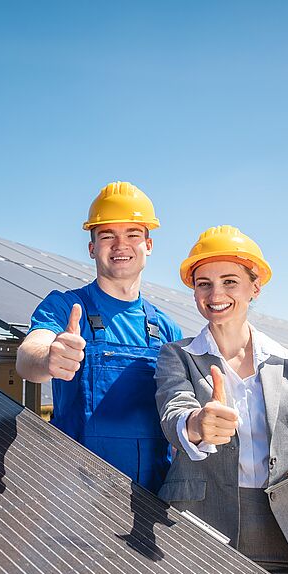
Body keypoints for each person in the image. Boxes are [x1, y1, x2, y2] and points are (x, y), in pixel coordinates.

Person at [154, 225, 288, 574]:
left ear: (255, 287)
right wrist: (197, 424)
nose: (215, 293)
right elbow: (174, 412)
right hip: (198, 526)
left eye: (230, 281)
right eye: (203, 283)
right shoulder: (177, 355)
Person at [16, 182, 182, 493]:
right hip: (74, 495)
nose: (121, 245)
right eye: (107, 235)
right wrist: (49, 357)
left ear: (149, 244)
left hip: (148, 498)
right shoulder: (65, 307)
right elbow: (28, 358)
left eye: (132, 234)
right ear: (92, 248)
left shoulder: (167, 329)